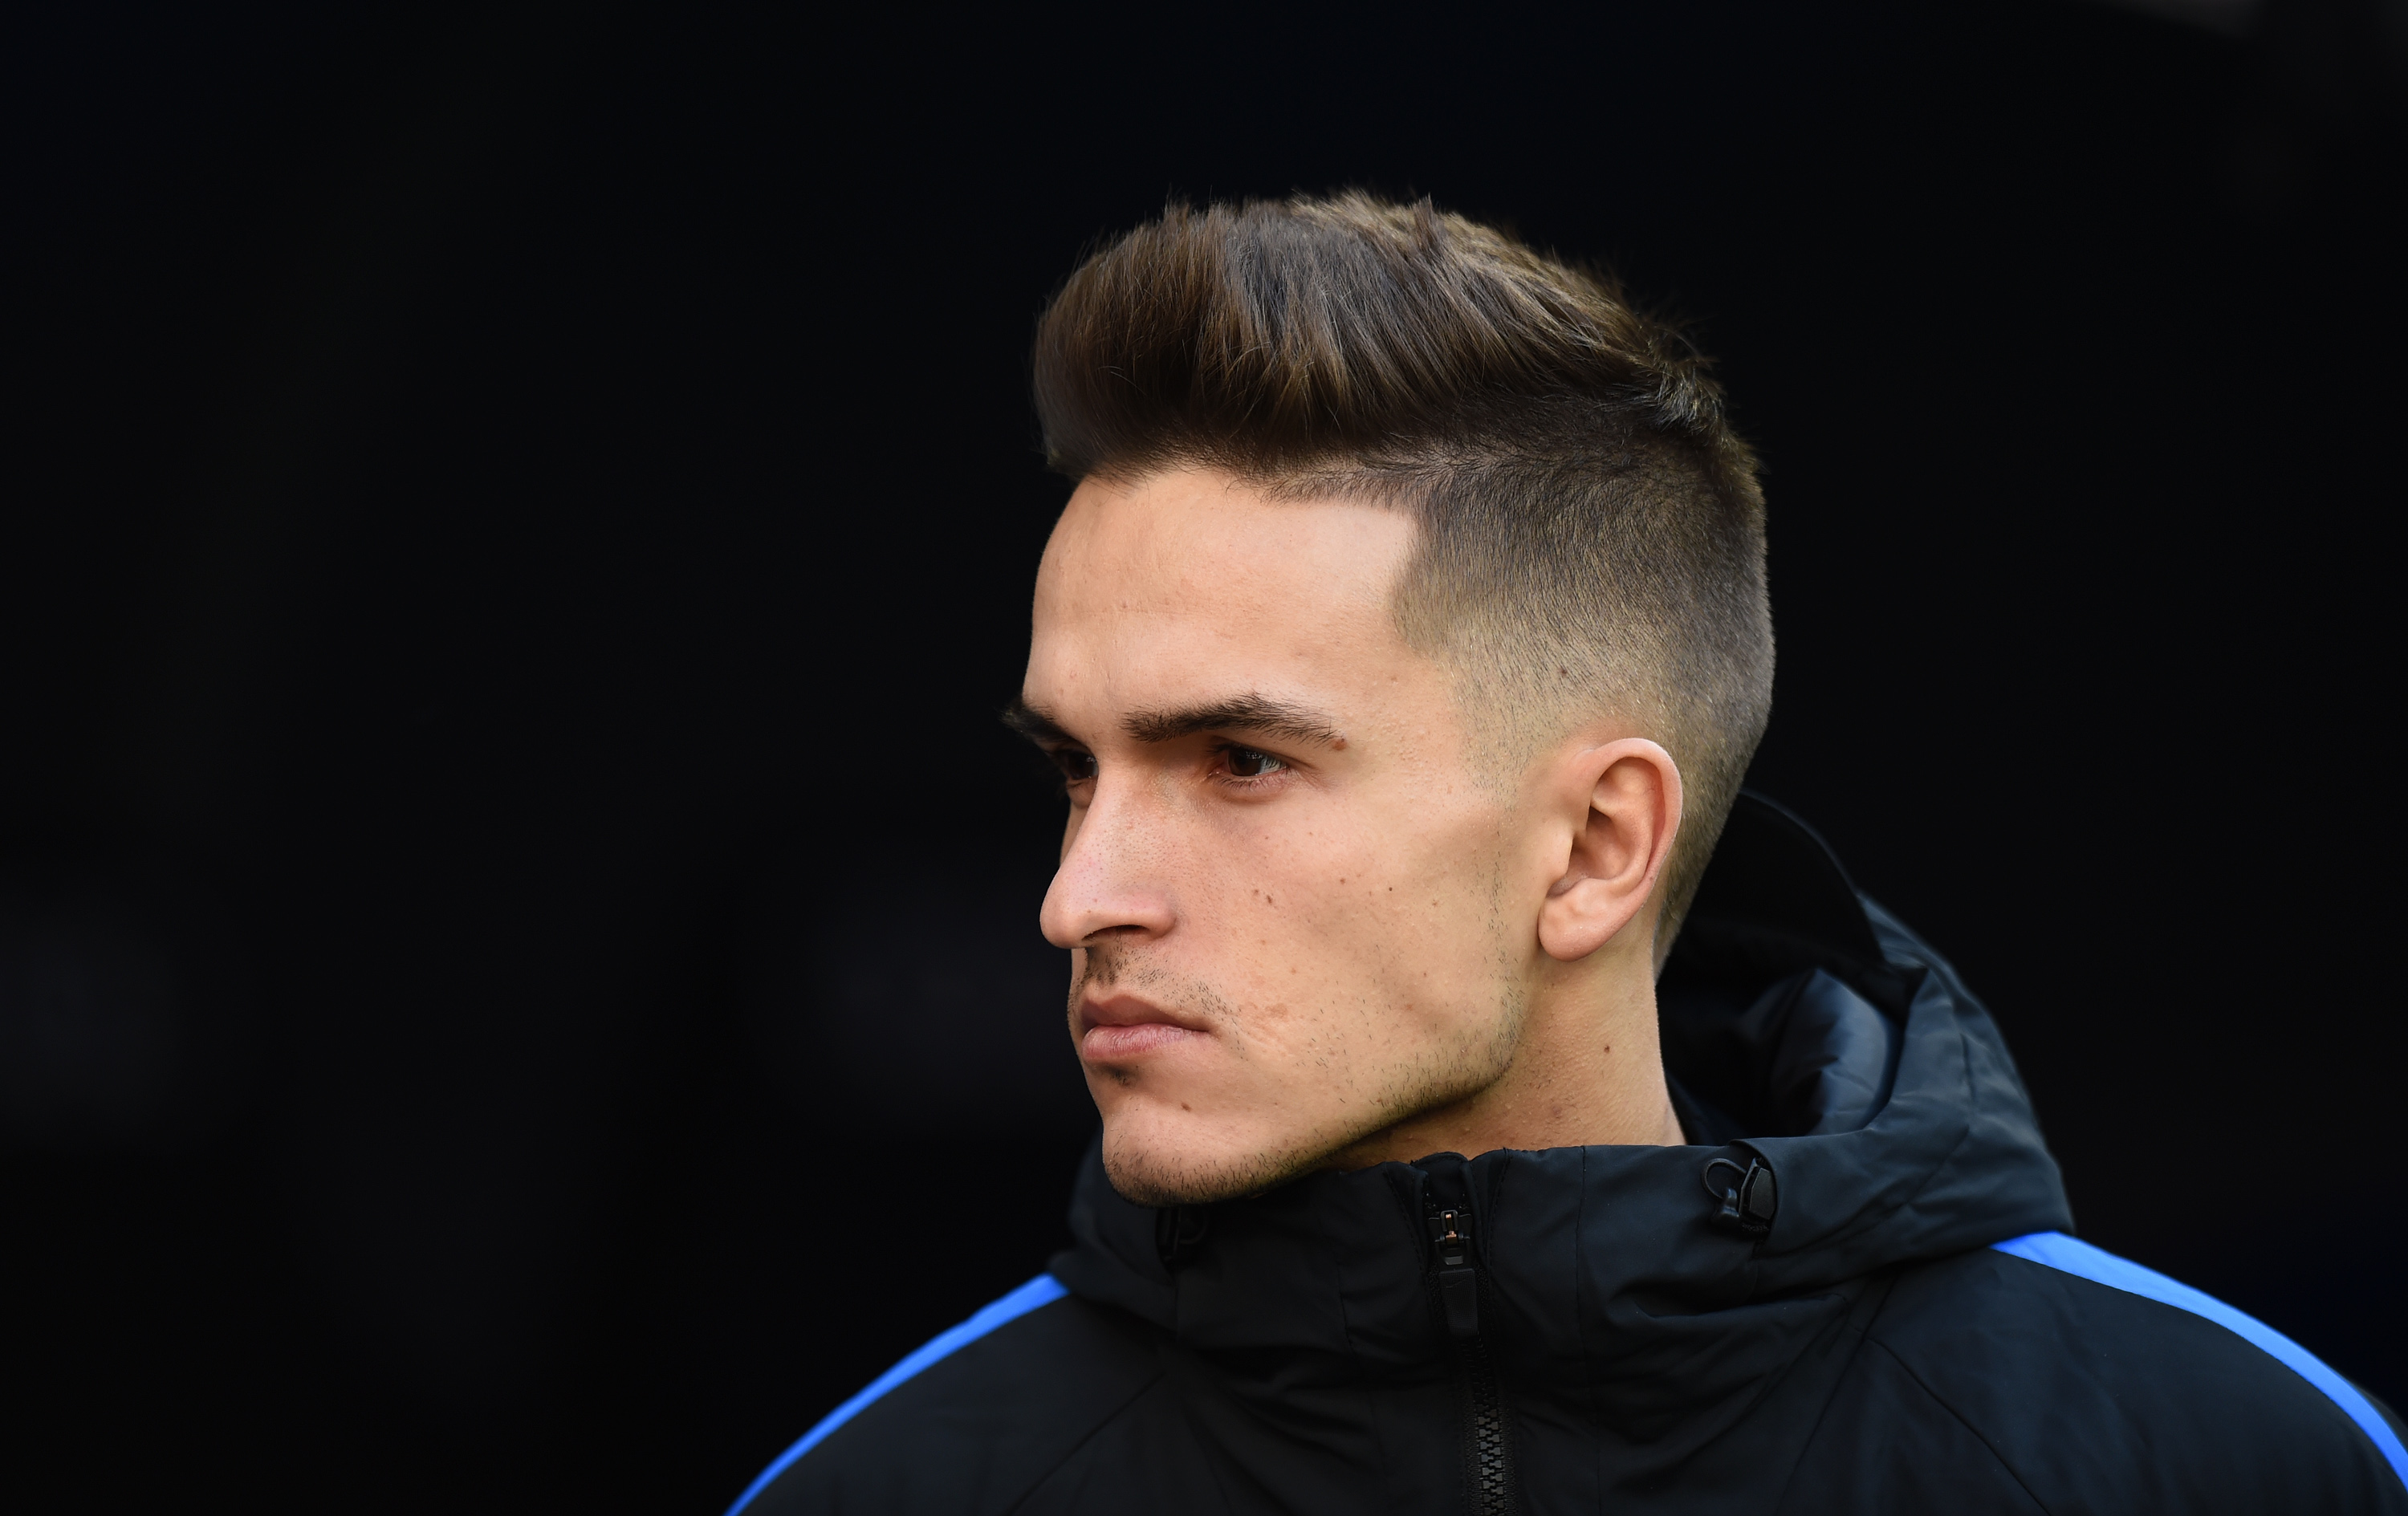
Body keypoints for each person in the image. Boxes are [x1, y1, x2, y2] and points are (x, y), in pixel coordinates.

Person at [729, 194, 2408, 1514]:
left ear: (1600, 845)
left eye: (1240, 761)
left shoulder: (2223, 1463)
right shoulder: (893, 1486)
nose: (1076, 898)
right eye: (1074, 775)